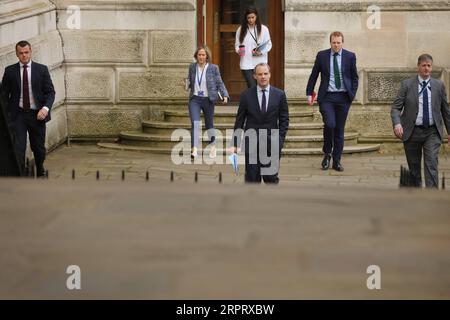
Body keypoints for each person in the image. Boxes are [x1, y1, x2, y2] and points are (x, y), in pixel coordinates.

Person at [391, 54, 450, 188]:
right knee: (414, 169)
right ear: (418, 67)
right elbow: (396, 107)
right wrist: (397, 123)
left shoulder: (439, 85)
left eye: (429, 66)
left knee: (431, 164)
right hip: (412, 132)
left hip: (432, 132)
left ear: (431, 67)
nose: (426, 69)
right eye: (423, 65)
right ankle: (417, 198)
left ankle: (432, 197)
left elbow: (445, 110)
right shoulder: (407, 85)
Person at [306, 31, 358, 172]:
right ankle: (327, 153)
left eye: (338, 42)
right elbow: (314, 74)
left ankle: (336, 160)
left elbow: (354, 77)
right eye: (334, 42)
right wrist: (309, 92)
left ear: (342, 42)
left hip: (343, 98)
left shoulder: (350, 56)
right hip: (327, 97)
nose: (336, 45)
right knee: (330, 124)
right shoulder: (322, 56)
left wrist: (351, 95)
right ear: (330, 42)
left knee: (339, 130)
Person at [1, 40, 55, 177]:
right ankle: (20, 173)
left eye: (26, 52)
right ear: (17, 54)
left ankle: (40, 169)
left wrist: (45, 108)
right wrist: (7, 115)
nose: (24, 55)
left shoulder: (41, 70)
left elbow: (50, 92)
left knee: (38, 148)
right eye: (21, 53)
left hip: (37, 115)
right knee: (18, 147)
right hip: (18, 115)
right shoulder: (10, 71)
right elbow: (3, 95)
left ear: (30, 52)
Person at [231, 63, 289, 184]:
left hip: (271, 143)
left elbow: (284, 119)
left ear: (270, 75)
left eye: (265, 73)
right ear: (254, 76)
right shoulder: (246, 95)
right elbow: (240, 120)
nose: (263, 76)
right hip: (251, 142)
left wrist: (280, 139)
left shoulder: (279, 95)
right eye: (260, 74)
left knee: (271, 178)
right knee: (252, 179)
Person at [187, 45, 229, 159]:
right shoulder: (192, 67)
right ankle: (194, 149)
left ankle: (213, 147)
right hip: (195, 99)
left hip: (208, 99)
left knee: (209, 124)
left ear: (207, 56)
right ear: (196, 56)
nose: (201, 57)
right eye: (199, 54)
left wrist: (224, 95)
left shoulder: (213, 68)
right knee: (195, 123)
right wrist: (186, 84)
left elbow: (219, 82)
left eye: (203, 55)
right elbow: (190, 81)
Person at [235, 6, 272, 88]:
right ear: (246, 18)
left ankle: (261, 101)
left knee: (261, 87)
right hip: (246, 63)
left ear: (256, 17)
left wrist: (261, 52)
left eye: (253, 17)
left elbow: (269, 44)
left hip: (260, 63)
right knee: (252, 87)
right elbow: (237, 45)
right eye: (248, 18)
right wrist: (239, 51)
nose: (251, 20)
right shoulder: (240, 30)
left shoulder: (264, 29)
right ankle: (253, 101)